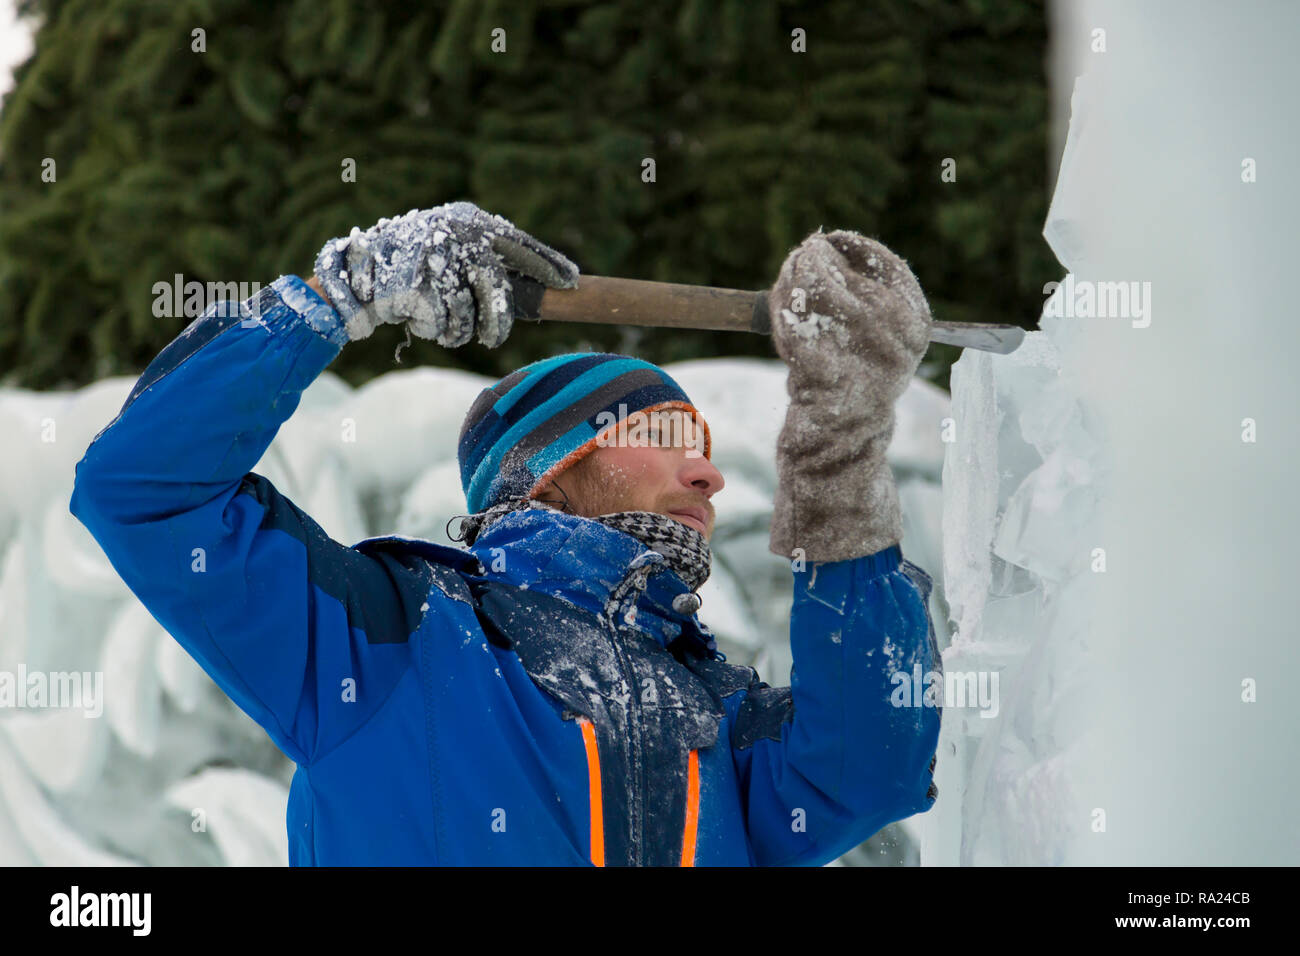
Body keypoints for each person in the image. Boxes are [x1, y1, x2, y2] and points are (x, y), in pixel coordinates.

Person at [70, 201, 941, 866]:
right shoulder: (387, 639)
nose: (709, 475)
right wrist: (347, 293)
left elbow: (871, 765)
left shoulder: (716, 713)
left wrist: (839, 442)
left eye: (710, 451)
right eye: (667, 436)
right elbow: (143, 488)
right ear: (553, 466)